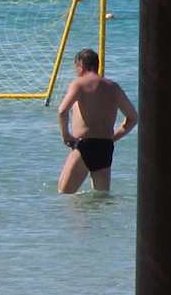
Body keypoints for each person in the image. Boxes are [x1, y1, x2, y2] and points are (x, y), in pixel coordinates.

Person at [55, 47, 137, 194]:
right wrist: (113, 137)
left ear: (80, 65)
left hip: (85, 145)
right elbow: (133, 118)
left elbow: (62, 111)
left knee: (64, 194)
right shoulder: (113, 87)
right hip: (105, 147)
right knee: (101, 198)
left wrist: (66, 136)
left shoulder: (79, 84)